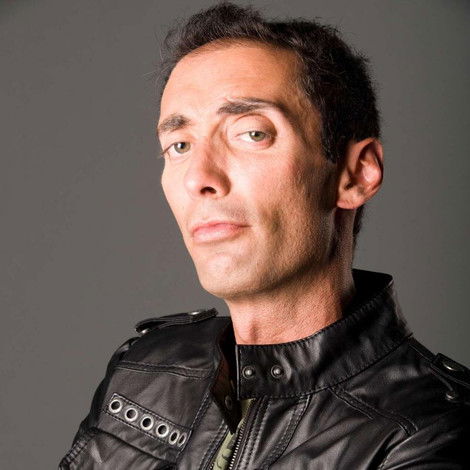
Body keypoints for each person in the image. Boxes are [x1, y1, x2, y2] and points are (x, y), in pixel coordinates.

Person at [59, 2, 469, 469]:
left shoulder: (431, 431)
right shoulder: (144, 369)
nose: (199, 178)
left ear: (355, 174)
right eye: (179, 145)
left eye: (252, 133)